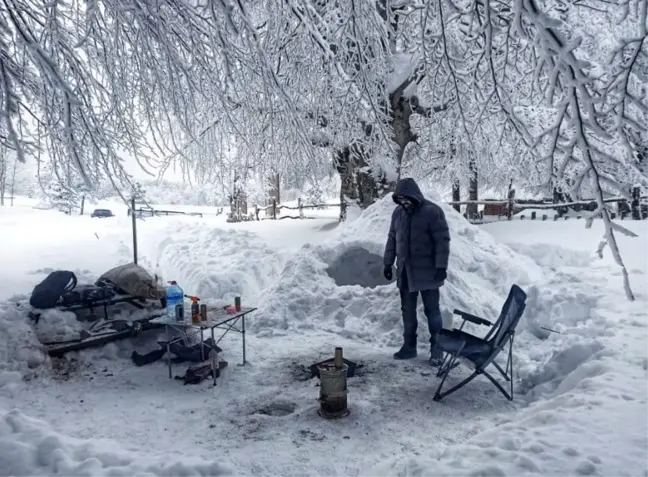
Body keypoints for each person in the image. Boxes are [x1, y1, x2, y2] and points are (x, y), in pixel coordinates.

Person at [383, 178, 450, 365]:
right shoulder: (398, 214)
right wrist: (388, 263)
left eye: (406, 199)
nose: (403, 203)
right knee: (408, 311)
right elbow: (392, 239)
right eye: (400, 200)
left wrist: (441, 267)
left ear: (414, 196)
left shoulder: (432, 212)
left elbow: (442, 242)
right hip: (405, 271)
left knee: (432, 311)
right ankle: (409, 346)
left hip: (428, 272)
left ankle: (437, 349)